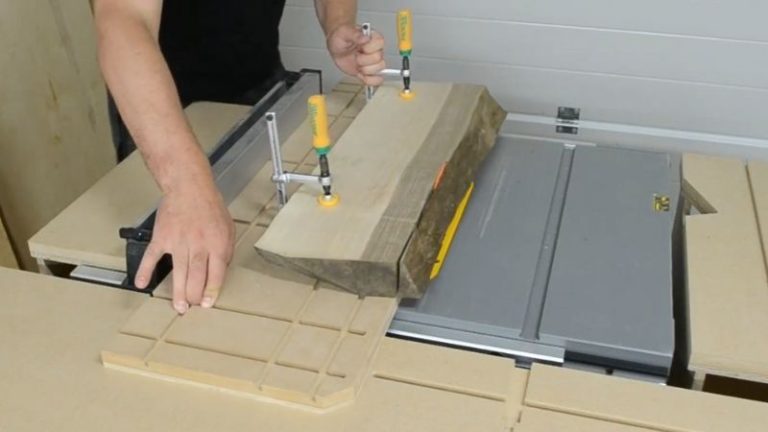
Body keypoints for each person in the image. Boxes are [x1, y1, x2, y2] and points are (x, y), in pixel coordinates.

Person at [94, 0, 385, 314]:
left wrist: (338, 23)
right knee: (174, 297)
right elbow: (123, 20)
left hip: (262, 85)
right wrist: (188, 190)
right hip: (163, 119)